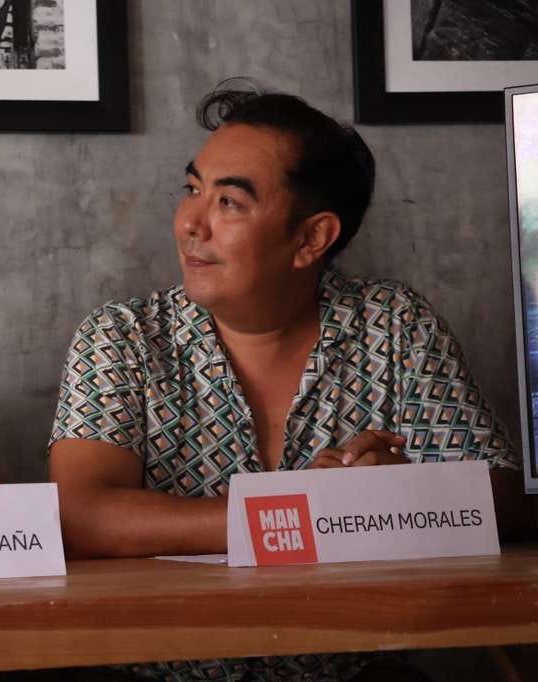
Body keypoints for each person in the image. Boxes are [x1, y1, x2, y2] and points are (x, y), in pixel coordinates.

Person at [49, 85, 528, 681]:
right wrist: (309, 511)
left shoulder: (393, 323)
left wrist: (402, 494)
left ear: (311, 239)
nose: (190, 223)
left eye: (229, 202)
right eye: (193, 189)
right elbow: (80, 514)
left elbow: (505, 499)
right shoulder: (123, 336)